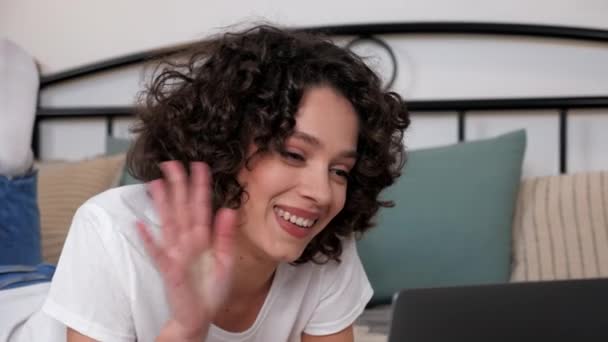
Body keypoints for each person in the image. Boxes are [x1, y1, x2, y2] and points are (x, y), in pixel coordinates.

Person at [42, 24, 410, 341]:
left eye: (339, 171)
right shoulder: (111, 231)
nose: (321, 192)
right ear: (225, 145)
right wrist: (187, 330)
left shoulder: (324, 246)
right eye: (294, 154)